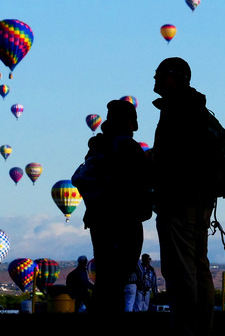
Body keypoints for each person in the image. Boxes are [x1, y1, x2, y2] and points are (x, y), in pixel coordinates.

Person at [150, 57, 219, 336]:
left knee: (180, 270)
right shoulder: (197, 110)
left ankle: (186, 330)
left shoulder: (177, 111)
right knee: (198, 265)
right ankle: (202, 327)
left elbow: (174, 158)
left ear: (174, 77)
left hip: (178, 200)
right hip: (199, 201)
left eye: (159, 74)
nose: (153, 78)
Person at [77, 99, 151, 314]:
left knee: (107, 274)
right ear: (130, 121)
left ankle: (102, 315)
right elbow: (141, 180)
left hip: (98, 218)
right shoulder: (127, 147)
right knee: (119, 275)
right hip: (124, 218)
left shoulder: (98, 147)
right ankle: (110, 318)